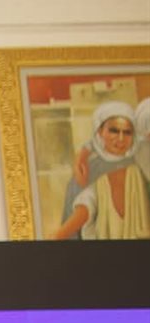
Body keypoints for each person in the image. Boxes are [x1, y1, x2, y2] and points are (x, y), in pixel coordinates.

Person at [53, 100, 149, 240]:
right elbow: (82, 209)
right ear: (100, 131)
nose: (121, 138)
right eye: (114, 131)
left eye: (127, 132)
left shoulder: (139, 163)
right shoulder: (87, 169)